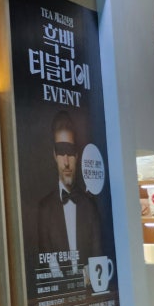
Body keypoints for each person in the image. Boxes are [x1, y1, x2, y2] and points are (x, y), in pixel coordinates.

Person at [36, 110, 102, 278]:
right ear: (54, 155)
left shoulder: (90, 207)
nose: (66, 162)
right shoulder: (44, 210)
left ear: (77, 156)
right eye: (61, 152)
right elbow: (47, 266)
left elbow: (98, 261)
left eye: (70, 152)